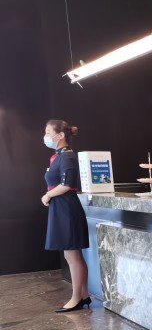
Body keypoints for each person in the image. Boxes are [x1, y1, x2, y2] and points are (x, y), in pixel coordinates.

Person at [42, 120, 91, 313]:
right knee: (71, 254)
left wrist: (47, 195)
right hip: (62, 208)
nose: (45, 136)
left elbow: (67, 184)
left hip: (67, 208)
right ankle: (84, 295)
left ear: (60, 135)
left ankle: (76, 298)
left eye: (48, 132)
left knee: (72, 254)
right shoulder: (58, 156)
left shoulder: (68, 157)